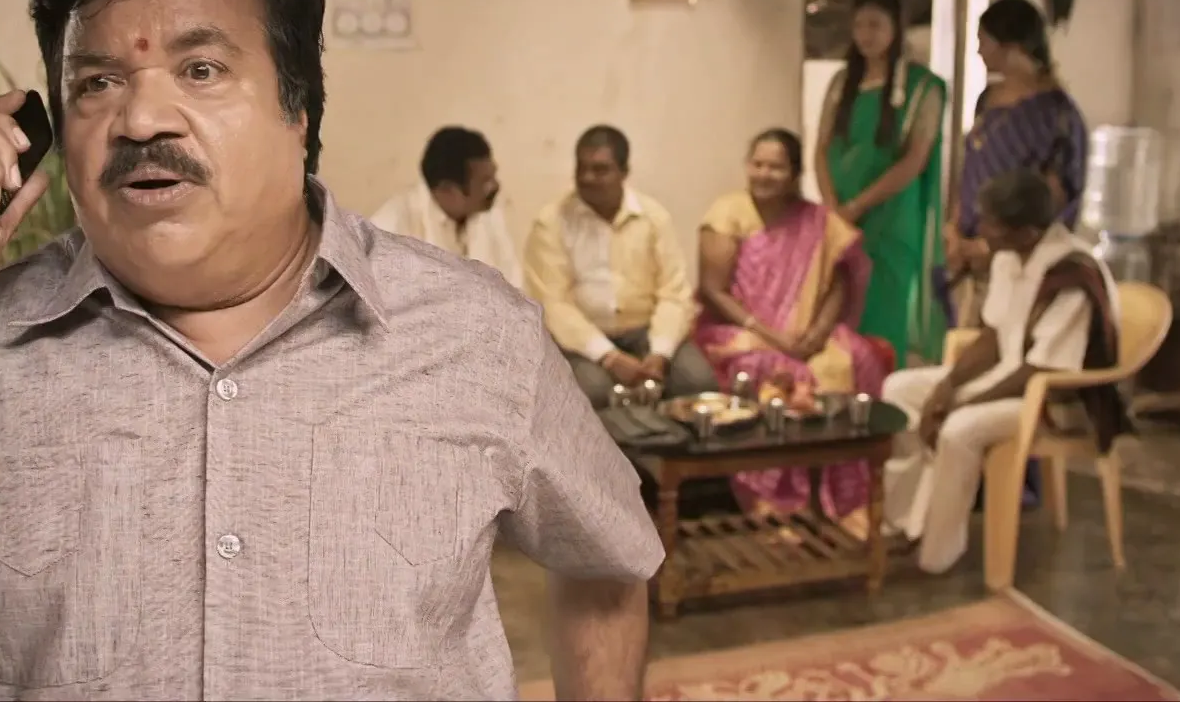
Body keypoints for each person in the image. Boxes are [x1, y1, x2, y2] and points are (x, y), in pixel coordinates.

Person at [0, 0, 661, 700]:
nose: (142, 117)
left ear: (298, 111)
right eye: (97, 82)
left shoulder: (473, 334)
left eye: (201, 70)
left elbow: (610, 561)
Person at [880, 169, 1124, 575]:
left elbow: (1041, 369)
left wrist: (961, 404)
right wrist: (947, 386)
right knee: (898, 389)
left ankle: (937, 555)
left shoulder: (1071, 275)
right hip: (1008, 378)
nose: (981, 230)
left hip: (1057, 398)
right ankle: (903, 524)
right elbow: (993, 336)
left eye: (991, 223)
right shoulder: (1008, 257)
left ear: (1027, 233)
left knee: (959, 429)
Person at [693, 128, 889, 540]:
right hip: (739, 328)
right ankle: (781, 504)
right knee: (774, 369)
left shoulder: (816, 220)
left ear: (795, 173)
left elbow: (838, 280)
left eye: (776, 167)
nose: (764, 174)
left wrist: (817, 333)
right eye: (758, 164)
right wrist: (772, 336)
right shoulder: (727, 213)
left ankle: (849, 500)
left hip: (805, 331)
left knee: (858, 357)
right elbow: (713, 290)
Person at [524, 125, 716, 407]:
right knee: (595, 393)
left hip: (646, 332)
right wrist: (608, 356)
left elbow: (674, 292)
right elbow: (553, 304)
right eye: (582, 168)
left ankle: (664, 437)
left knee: (698, 384)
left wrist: (660, 353)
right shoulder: (551, 222)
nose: (587, 178)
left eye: (600, 170)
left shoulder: (653, 218)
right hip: (583, 342)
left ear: (624, 172)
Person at [814, 0, 951, 368]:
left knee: (883, 312)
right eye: (859, 25)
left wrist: (858, 206)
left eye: (875, 24)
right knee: (839, 309)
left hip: (891, 219)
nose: (865, 35)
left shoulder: (924, 87)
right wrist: (834, 208)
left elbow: (915, 160)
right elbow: (821, 150)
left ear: (895, 28)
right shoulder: (842, 83)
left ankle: (883, 391)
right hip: (841, 215)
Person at [947, 0, 1089, 327]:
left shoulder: (1057, 116)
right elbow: (971, 169)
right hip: (969, 261)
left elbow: (1054, 200)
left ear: (1012, 46)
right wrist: (954, 232)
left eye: (984, 41)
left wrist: (993, 247)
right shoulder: (987, 100)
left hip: (1019, 265)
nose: (979, 51)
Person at [371, 125, 523, 287]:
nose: (495, 186)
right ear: (448, 190)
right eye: (485, 181)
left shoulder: (489, 215)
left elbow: (514, 287)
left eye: (494, 175)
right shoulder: (390, 228)